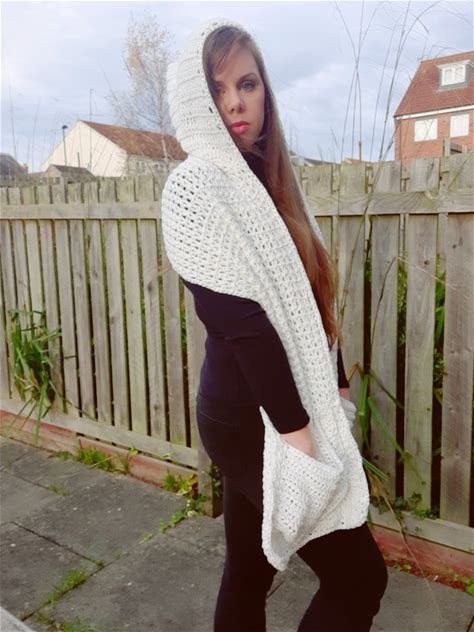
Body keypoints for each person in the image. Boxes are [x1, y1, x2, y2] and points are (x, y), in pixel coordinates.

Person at [162, 18, 388, 632]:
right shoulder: (194, 190)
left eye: (247, 83)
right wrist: (299, 436)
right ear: (196, 101)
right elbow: (244, 325)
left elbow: (310, 299)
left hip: (279, 411)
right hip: (247, 419)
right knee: (361, 577)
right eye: (217, 89)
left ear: (265, 91)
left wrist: (336, 384)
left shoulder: (273, 182)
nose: (235, 102)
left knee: (247, 569)